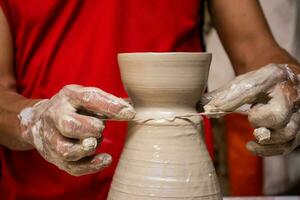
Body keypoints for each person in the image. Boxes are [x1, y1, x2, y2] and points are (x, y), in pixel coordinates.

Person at [0, 0, 299, 199]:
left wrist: (291, 81)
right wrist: (34, 119)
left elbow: (256, 50)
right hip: (40, 188)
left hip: (183, 181)